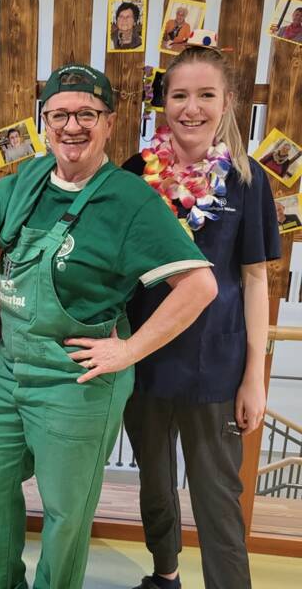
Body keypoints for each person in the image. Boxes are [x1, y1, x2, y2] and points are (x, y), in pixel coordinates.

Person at [0, 63, 218, 589]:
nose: (71, 126)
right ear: (45, 122)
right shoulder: (28, 179)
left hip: (75, 380)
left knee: (65, 512)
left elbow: (200, 286)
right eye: (59, 115)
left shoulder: (130, 200)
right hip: (8, 369)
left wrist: (129, 351)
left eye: (86, 114)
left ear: (109, 122)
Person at [122, 46, 281, 589]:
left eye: (206, 95)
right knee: (155, 486)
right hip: (144, 362)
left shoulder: (248, 181)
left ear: (228, 102)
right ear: (163, 103)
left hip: (216, 367)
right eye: (179, 95)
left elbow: (255, 280)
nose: (191, 108)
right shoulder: (134, 175)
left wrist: (254, 375)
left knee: (217, 497)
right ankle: (164, 575)